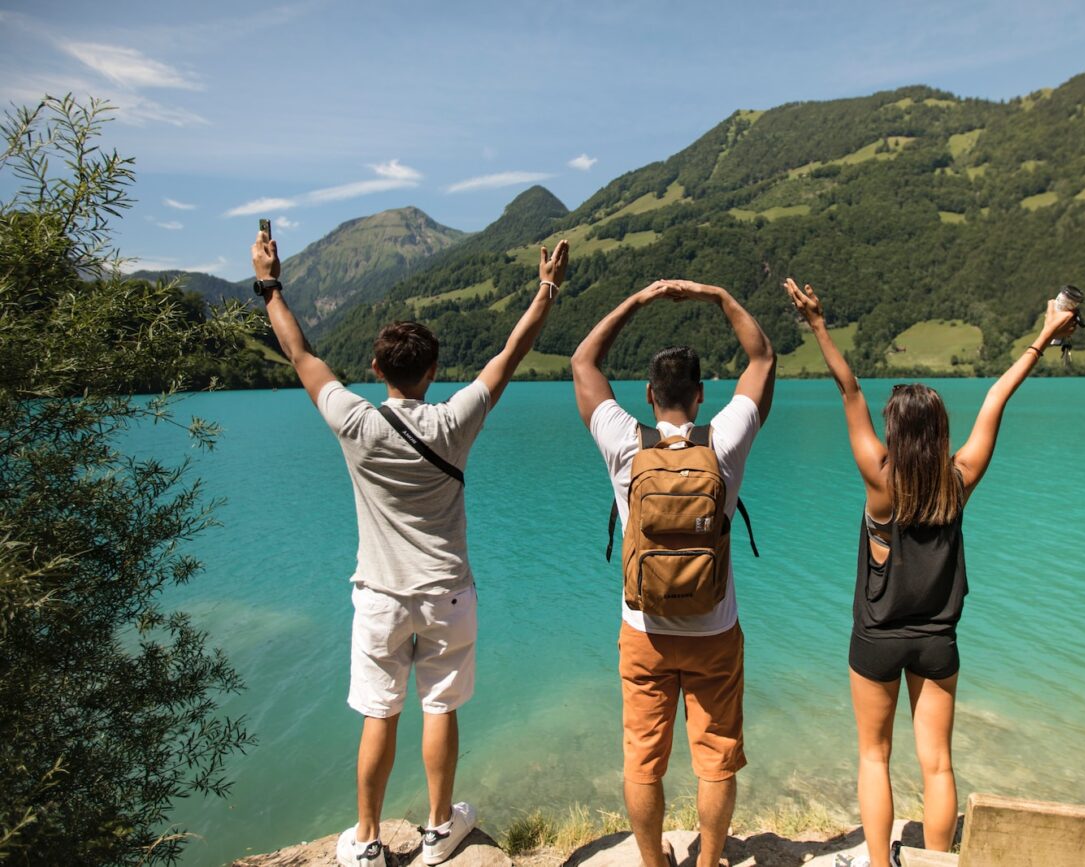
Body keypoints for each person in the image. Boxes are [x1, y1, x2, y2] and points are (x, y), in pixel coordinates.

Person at [251, 231, 568, 867]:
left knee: (378, 713)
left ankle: (366, 841)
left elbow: (300, 353)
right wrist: (547, 288)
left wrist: (269, 285)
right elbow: (510, 354)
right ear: (431, 373)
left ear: (375, 371)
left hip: (380, 596)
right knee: (440, 705)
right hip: (449, 592)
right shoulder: (453, 422)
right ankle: (437, 830)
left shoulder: (355, 421)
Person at [783, 278, 1076, 867]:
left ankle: (878, 861)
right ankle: (937, 862)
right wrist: (1047, 331)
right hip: (937, 640)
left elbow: (849, 389)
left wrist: (816, 324)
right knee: (937, 762)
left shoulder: (879, 479)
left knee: (874, 756)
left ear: (895, 433)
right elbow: (996, 398)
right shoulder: (958, 481)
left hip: (877, 641)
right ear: (940, 435)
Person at [571, 280, 775, 867]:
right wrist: (719, 297)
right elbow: (762, 357)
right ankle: (709, 862)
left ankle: (654, 862)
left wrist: (637, 300)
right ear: (703, 394)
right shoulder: (726, 440)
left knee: (643, 758)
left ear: (648, 394)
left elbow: (584, 360)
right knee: (715, 759)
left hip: (644, 630)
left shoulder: (624, 443)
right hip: (714, 630)